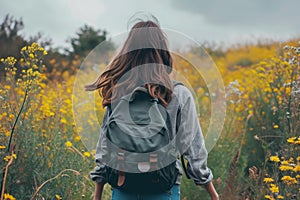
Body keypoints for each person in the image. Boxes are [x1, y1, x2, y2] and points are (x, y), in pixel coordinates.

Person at [86, 18, 219, 200]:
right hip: (164, 190)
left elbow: (104, 148)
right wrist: (212, 192)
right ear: (162, 52)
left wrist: (97, 195)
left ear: (128, 52)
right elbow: (193, 150)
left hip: (123, 188)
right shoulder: (178, 93)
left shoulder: (119, 91)